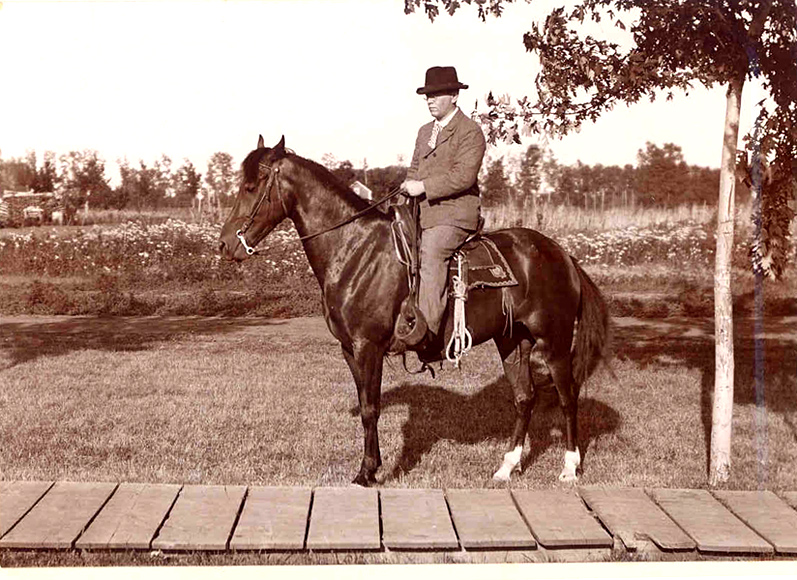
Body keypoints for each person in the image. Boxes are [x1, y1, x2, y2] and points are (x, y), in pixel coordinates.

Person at [400, 66, 487, 352]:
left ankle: (428, 333)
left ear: (454, 95)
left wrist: (422, 186)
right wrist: (406, 189)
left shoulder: (470, 132)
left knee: (433, 251)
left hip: (455, 214)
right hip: (423, 211)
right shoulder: (424, 131)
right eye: (427, 95)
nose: (430, 100)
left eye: (436, 94)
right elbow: (415, 168)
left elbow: (464, 177)